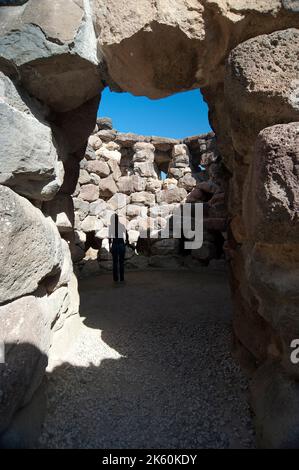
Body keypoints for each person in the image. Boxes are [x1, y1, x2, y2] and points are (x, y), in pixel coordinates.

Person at [108, 213, 129, 284]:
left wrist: (109, 246)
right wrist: (127, 242)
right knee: (121, 262)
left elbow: (109, 238)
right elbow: (126, 234)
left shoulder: (111, 227)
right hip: (121, 244)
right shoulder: (121, 226)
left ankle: (116, 279)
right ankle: (122, 278)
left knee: (115, 262)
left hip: (115, 244)